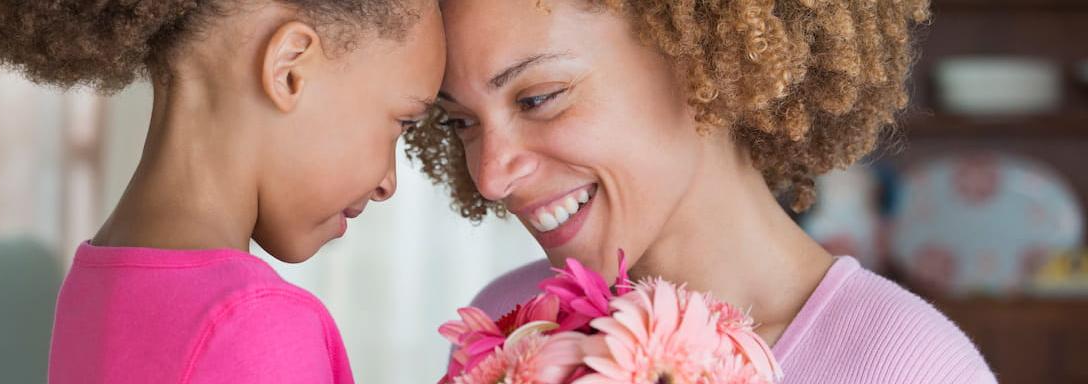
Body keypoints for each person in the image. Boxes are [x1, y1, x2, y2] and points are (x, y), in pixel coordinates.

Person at [405, 0, 995, 382]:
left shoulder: (909, 366)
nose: (491, 176)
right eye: (462, 123)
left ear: (702, 60)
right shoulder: (510, 332)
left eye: (537, 98)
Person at [0, 0, 445, 382]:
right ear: (290, 68)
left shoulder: (94, 282)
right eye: (400, 122)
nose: (388, 182)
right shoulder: (257, 323)